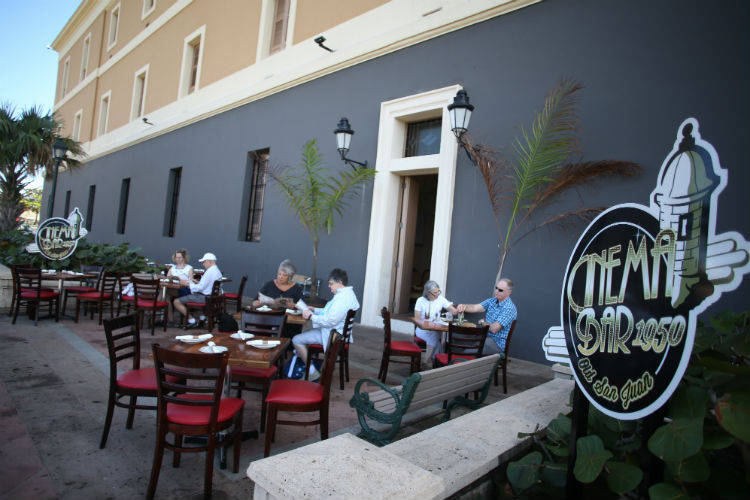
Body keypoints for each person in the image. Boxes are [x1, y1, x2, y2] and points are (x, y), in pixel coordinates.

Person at [292, 268, 359, 381]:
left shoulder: (342, 299)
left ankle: (312, 372)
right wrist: (315, 310)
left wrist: (310, 316)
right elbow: (331, 313)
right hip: (337, 333)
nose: (329, 286)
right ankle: (316, 366)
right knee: (306, 334)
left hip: (333, 336)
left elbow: (330, 320)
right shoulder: (346, 294)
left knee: (296, 340)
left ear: (340, 282)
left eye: (331, 284)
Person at [456, 278, 516, 355]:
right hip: (484, 336)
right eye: (496, 288)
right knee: (459, 340)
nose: (496, 291)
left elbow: (494, 329)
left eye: (500, 290)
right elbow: (475, 308)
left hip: (496, 343)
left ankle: (462, 359)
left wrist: (483, 322)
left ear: (509, 292)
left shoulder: (509, 308)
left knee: (467, 350)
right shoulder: (492, 301)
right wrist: (464, 307)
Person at [414, 280, 458, 366]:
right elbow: (417, 319)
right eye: (435, 293)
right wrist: (428, 325)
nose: (437, 294)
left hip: (436, 329)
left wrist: (457, 310)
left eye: (438, 291)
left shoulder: (440, 299)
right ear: (428, 293)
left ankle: (429, 362)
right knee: (436, 339)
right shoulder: (420, 301)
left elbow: (453, 310)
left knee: (436, 338)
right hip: (422, 330)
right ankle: (430, 362)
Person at [173, 252, 222, 328]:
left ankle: (192, 320)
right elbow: (207, 285)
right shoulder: (217, 271)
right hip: (211, 297)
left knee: (176, 302)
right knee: (189, 296)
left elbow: (200, 288)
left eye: (204, 262)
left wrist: (188, 284)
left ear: (210, 261)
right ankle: (202, 318)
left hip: (204, 297)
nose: (203, 264)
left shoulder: (209, 272)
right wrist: (197, 282)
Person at [165, 249, 193, 321]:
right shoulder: (172, 268)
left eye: (179, 257)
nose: (177, 259)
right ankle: (170, 319)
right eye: (176, 257)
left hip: (183, 289)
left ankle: (170, 319)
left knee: (166, 294)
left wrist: (180, 281)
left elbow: (190, 282)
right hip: (172, 288)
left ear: (184, 258)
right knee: (166, 295)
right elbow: (167, 279)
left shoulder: (189, 268)